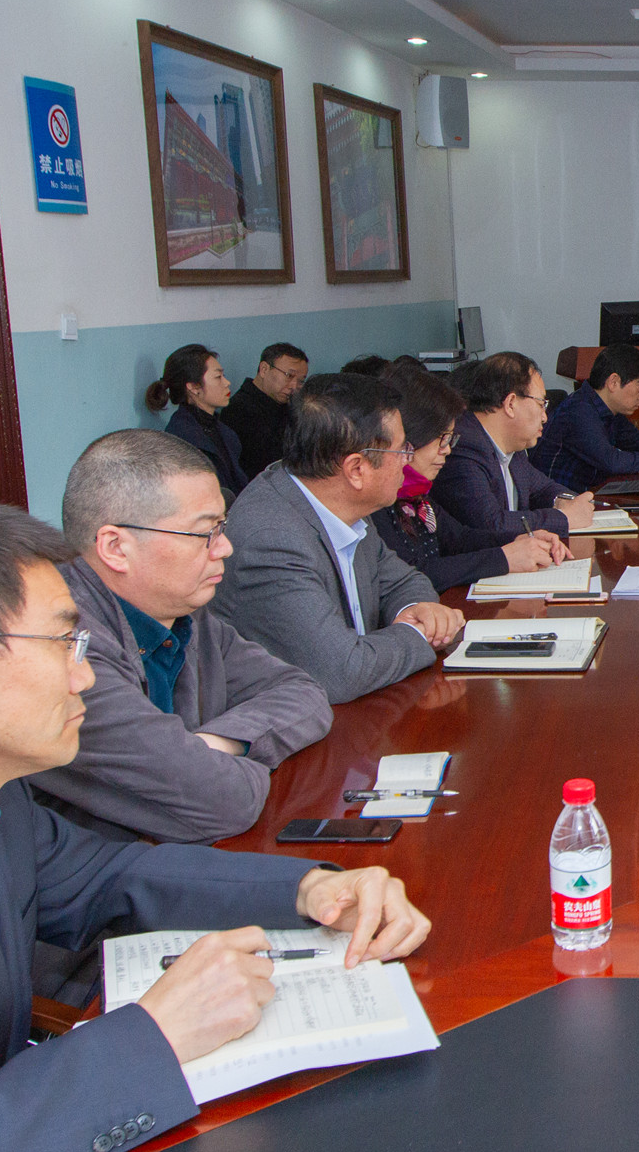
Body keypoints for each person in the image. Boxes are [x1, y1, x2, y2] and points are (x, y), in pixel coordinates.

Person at [0, 495, 431, 1152]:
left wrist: (311, 888)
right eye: (62, 643)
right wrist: (151, 1037)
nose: (85, 678)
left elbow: (108, 875)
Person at [23, 429, 332, 845]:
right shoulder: (62, 648)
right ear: (115, 547)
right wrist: (202, 766)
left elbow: (304, 692)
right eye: (205, 533)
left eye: (222, 527)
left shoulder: (182, 615)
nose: (225, 548)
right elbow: (223, 801)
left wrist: (215, 743)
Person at [214, 374, 464, 704]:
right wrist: (420, 634)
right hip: (290, 727)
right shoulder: (272, 541)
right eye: (402, 449)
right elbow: (342, 672)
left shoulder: (341, 501)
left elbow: (403, 581)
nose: (408, 460)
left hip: (361, 710)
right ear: (356, 469)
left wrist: (419, 608)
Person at [373, 363, 562, 592]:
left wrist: (521, 540)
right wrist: (504, 558)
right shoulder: (378, 503)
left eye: (449, 439)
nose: (447, 450)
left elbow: (460, 539)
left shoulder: (416, 494)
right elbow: (414, 574)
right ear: (411, 437)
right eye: (442, 439)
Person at [434, 353, 594, 540]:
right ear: (510, 404)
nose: (545, 417)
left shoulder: (513, 445)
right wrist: (563, 518)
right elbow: (491, 524)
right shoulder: (463, 447)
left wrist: (563, 501)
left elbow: (543, 489)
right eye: (541, 404)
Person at [531, 344, 639, 492]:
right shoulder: (578, 411)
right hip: (564, 502)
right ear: (613, 382)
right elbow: (612, 462)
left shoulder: (608, 409)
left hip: (592, 494)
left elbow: (638, 442)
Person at [146, 344, 248, 497]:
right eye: (218, 377)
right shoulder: (181, 439)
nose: (227, 382)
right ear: (193, 387)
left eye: (224, 376)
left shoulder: (223, 431)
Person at [218, 341, 309, 481]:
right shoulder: (238, 411)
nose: (294, 386)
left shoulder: (290, 407)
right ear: (264, 369)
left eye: (301, 381)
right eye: (289, 375)